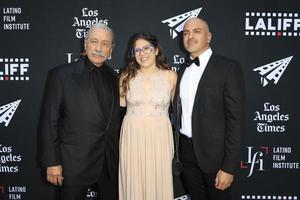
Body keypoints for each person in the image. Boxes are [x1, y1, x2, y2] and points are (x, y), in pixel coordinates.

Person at [39, 22, 120, 200]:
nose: (99, 48)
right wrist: (52, 162)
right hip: (74, 163)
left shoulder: (116, 78)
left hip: (109, 164)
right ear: (85, 44)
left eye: (105, 44)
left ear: (111, 49)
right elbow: (49, 121)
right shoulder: (61, 75)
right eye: (94, 42)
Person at [173, 18, 245, 200]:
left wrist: (228, 167)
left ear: (209, 36)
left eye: (197, 31)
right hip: (186, 154)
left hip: (215, 158)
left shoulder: (228, 68)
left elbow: (236, 121)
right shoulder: (182, 70)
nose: (190, 36)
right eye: (186, 33)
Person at [118, 33, 177, 200]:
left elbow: (180, 111)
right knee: (133, 180)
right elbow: (120, 106)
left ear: (156, 50)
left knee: (158, 180)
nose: (142, 54)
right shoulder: (125, 77)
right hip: (132, 137)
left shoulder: (170, 77)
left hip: (160, 137)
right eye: (137, 50)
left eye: (147, 48)